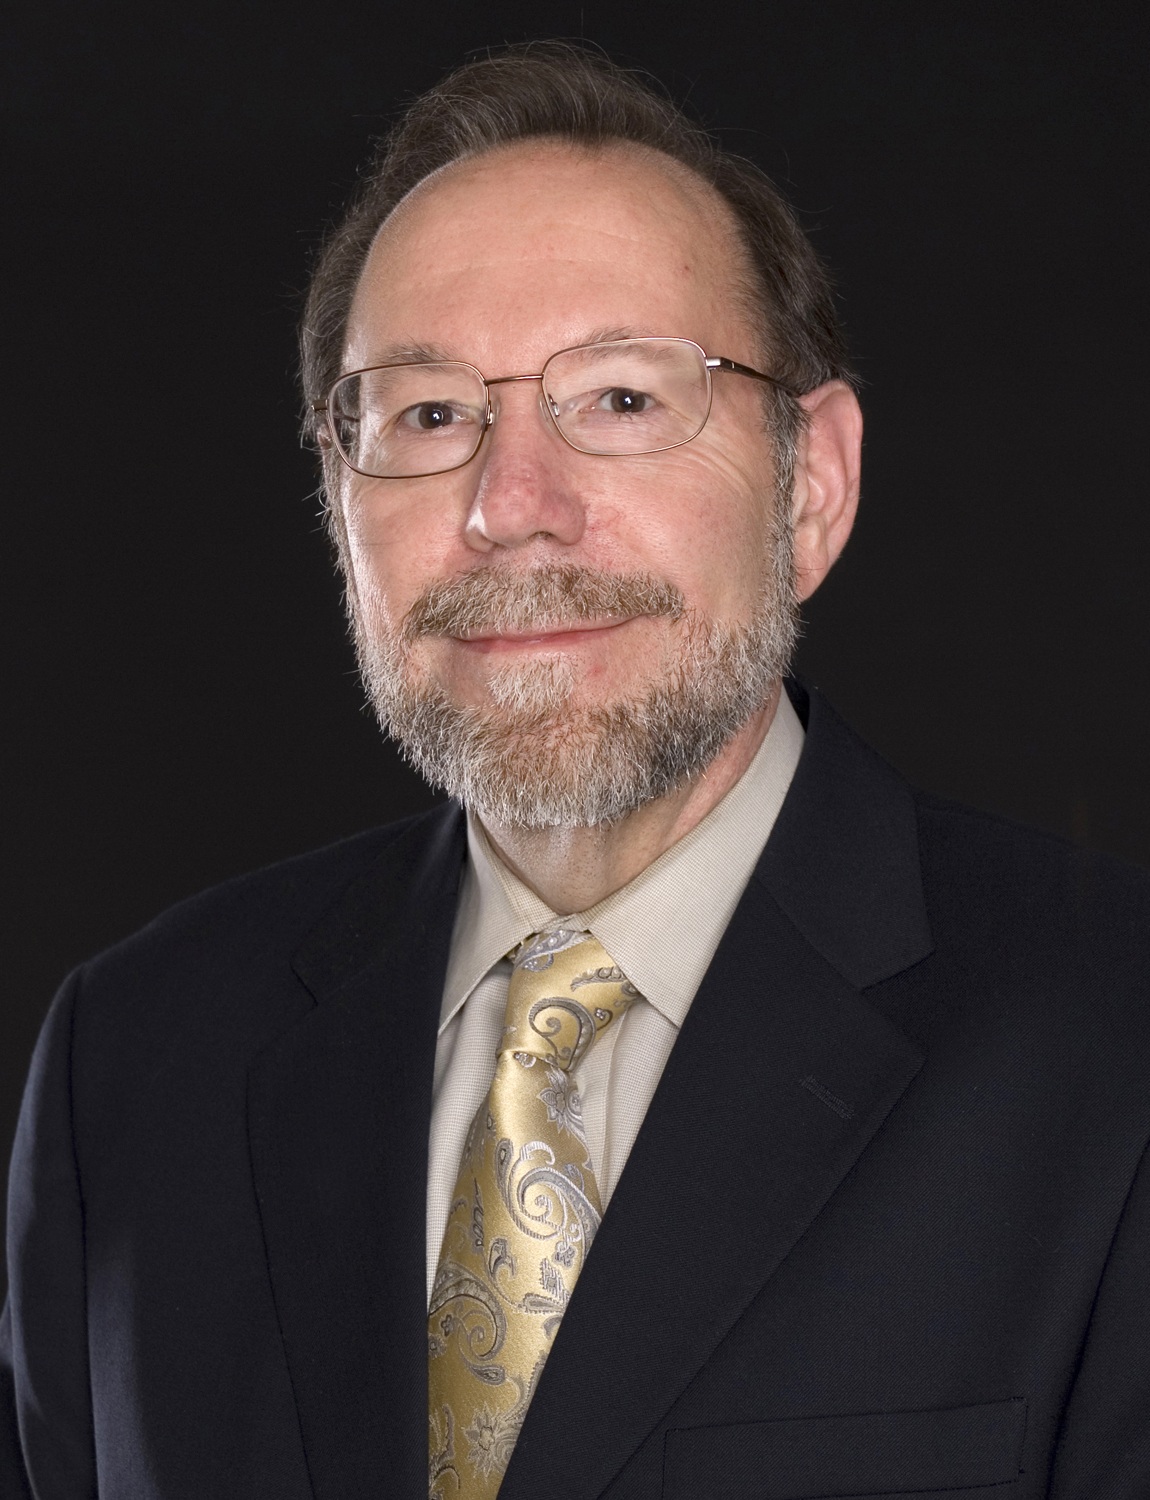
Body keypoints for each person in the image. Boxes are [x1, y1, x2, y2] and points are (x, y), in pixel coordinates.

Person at [3, 40, 1150, 1500]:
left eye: (617, 398)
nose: (509, 507)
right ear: (336, 511)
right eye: (427, 415)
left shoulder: (1112, 1041)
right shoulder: (137, 1060)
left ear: (814, 486)